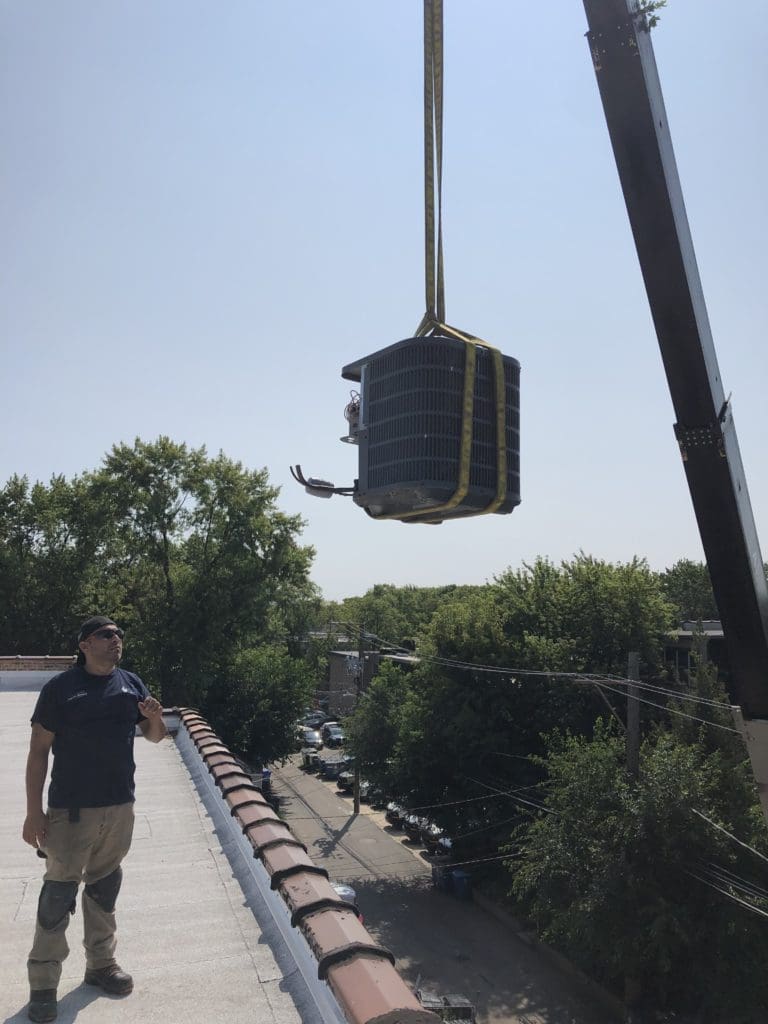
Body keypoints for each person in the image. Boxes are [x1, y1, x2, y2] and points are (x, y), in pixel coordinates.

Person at [22, 615, 167, 1023]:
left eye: (119, 634)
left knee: (105, 888)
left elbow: (154, 736)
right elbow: (38, 752)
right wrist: (34, 812)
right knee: (57, 899)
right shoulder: (60, 689)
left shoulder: (131, 683)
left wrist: (155, 717)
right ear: (85, 644)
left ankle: (101, 965)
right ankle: (43, 987)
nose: (116, 640)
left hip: (120, 807)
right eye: (106, 635)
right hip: (71, 811)